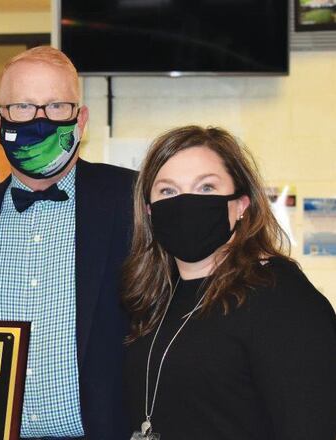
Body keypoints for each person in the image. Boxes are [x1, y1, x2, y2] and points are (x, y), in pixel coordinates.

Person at [0, 46, 133, 439]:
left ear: (81, 119)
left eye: (57, 106)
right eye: (22, 107)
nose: (40, 121)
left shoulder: (134, 202)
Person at [122, 126, 336, 440]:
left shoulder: (279, 295)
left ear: (241, 204)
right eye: (168, 191)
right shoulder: (154, 298)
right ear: (149, 211)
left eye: (206, 187)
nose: (186, 203)